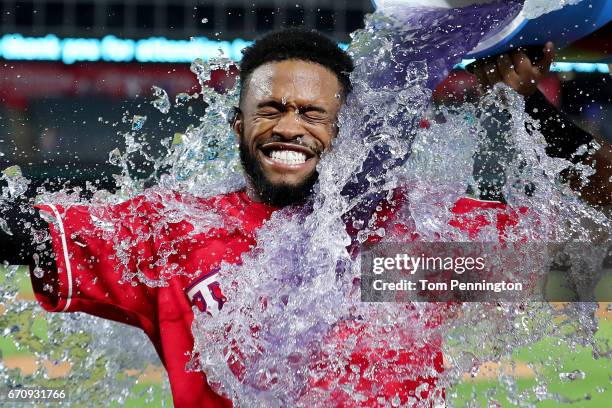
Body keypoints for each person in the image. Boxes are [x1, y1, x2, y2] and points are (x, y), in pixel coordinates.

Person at [0, 28, 610, 407]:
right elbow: (16, 228)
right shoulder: (173, 232)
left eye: (313, 115)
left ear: (344, 134)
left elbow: (591, 265)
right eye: (269, 109)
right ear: (237, 125)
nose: (289, 125)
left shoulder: (406, 244)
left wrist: (528, 104)